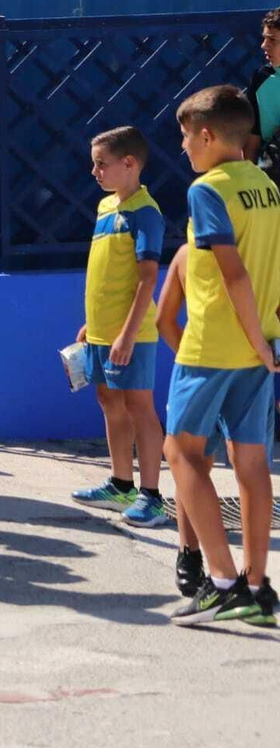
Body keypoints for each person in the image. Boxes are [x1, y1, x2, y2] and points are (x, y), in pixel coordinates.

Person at [162, 85, 280, 625]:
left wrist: (254, 337)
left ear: (208, 135)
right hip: (262, 349)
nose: (183, 147)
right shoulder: (268, 185)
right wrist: (265, 342)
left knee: (180, 453)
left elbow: (232, 271)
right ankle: (260, 588)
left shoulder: (206, 190)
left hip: (213, 344)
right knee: (252, 463)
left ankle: (224, 582)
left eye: (187, 137)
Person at [67, 125, 168, 527]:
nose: (95, 172)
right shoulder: (106, 208)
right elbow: (108, 273)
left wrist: (127, 333)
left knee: (139, 407)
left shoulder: (146, 213)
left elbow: (147, 278)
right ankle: (121, 483)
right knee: (109, 402)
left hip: (132, 335)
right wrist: (93, 324)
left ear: (129, 164)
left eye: (101, 164)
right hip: (102, 333)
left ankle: (153, 496)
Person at [154, 243, 212, 598]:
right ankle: (251, 577)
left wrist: (189, 355)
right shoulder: (262, 252)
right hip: (249, 369)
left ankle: (191, 556)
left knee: (189, 462)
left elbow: (164, 320)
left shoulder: (188, 253)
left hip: (200, 370)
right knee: (249, 468)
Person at [240, 7, 280, 175]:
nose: (264, 45)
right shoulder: (261, 78)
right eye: (264, 38)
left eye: (272, 40)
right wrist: (248, 179)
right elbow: (252, 135)